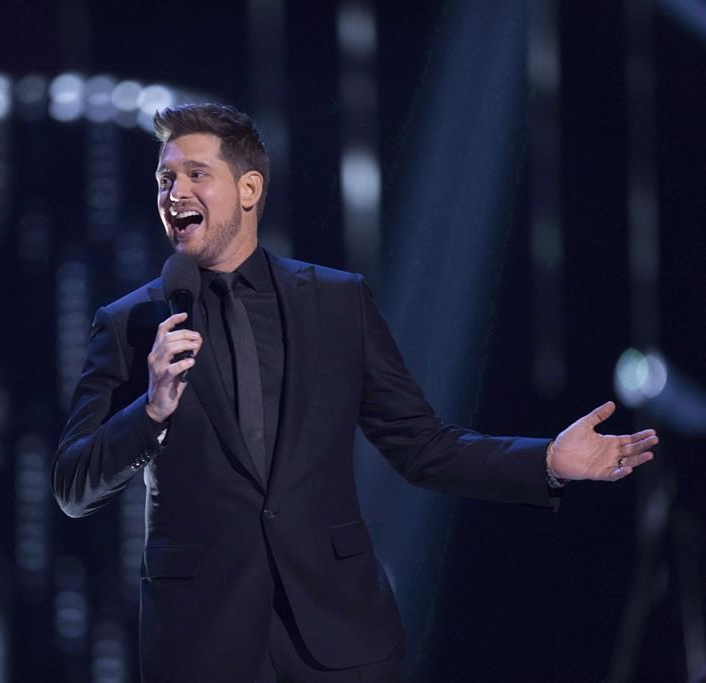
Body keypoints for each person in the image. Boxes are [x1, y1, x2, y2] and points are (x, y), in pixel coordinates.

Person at [51, 103, 658, 682]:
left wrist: (546, 460)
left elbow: (422, 445)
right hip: (202, 643)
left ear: (249, 189)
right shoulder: (130, 324)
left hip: (340, 636)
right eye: (165, 178)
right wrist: (151, 408)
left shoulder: (337, 302)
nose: (174, 193)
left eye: (195, 174)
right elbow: (74, 487)